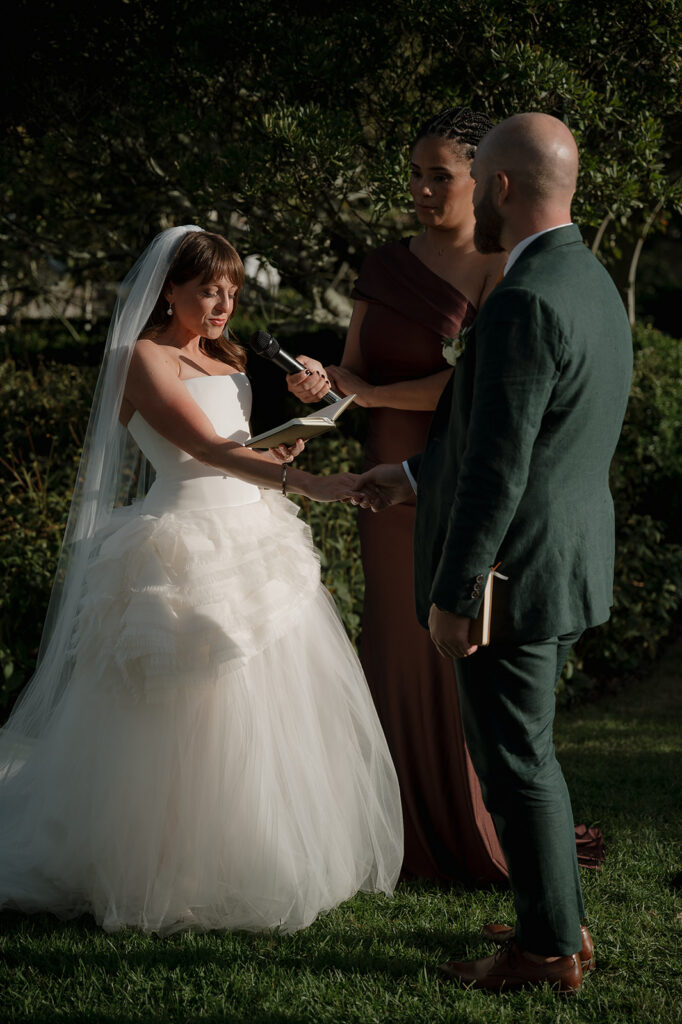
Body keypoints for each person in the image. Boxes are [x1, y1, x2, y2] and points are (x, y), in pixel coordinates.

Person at [0, 226, 403, 935]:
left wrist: (302, 423)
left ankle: (259, 850)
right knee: (180, 720)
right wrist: (305, 480)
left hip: (254, 538)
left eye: (232, 291)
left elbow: (243, 447)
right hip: (184, 547)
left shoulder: (226, 356)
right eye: (208, 290)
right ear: (170, 291)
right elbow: (206, 451)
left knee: (267, 710)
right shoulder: (142, 359)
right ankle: (161, 865)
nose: (223, 304)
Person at [352, 113, 632, 992]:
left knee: (514, 764)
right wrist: (409, 473)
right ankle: (555, 922)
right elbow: (522, 438)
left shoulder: (522, 299)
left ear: (500, 186)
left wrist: (454, 588)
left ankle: (547, 951)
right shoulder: (585, 281)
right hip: (563, 557)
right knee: (528, 753)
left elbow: (501, 468)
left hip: (509, 572)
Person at [288, 108, 510, 884]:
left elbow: (476, 383)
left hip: (450, 478)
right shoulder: (382, 264)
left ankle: (462, 816)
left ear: (480, 179)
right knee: (390, 640)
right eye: (414, 174)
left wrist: (375, 398)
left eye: (438, 175)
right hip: (380, 486)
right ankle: (392, 825)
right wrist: (313, 401)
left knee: (442, 645)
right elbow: (352, 371)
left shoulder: (497, 265)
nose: (421, 188)